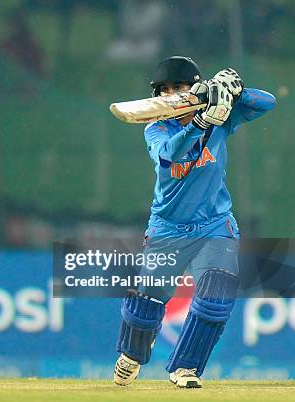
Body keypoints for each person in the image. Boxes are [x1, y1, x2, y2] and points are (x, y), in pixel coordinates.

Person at [113, 56, 275, 388]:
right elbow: (171, 154)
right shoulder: (156, 128)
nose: (172, 95)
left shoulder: (222, 118)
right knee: (146, 303)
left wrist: (232, 91)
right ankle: (132, 353)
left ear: (194, 88)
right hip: (168, 227)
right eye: (166, 90)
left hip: (214, 225)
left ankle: (185, 368)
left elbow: (266, 104)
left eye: (179, 88)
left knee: (216, 301)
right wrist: (200, 122)